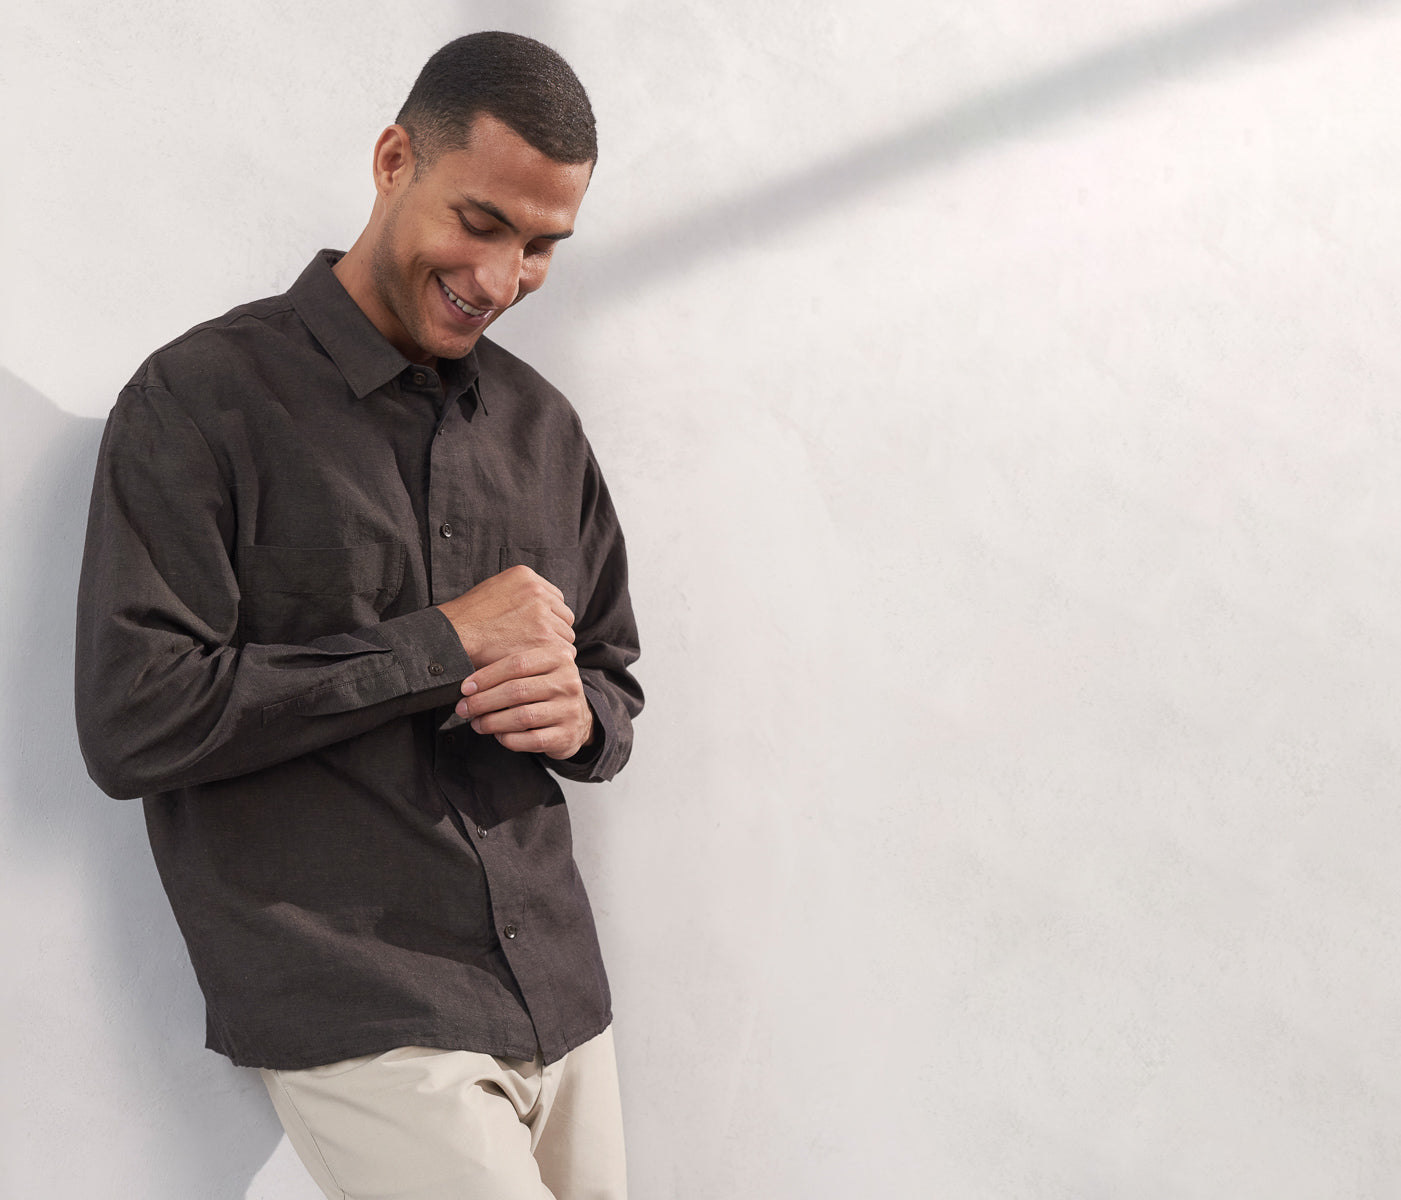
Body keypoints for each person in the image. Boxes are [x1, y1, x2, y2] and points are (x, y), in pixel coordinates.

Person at [74, 31, 642, 1200]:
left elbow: (613, 678)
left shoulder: (544, 428)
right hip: (360, 997)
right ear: (394, 160)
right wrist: (443, 644)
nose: (502, 278)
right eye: (481, 221)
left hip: (561, 995)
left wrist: (577, 716)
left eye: (542, 246)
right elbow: (134, 719)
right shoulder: (199, 401)